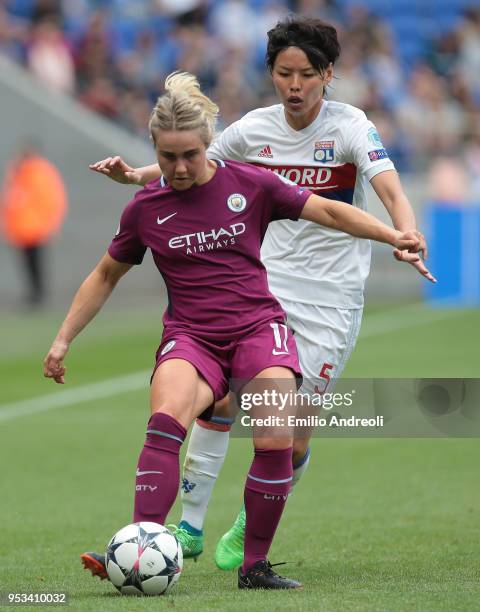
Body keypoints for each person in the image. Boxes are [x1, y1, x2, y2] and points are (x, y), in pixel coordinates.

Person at [44, 71, 426, 590]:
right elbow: (105, 275)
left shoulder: (251, 184)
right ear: (155, 149)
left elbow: (331, 211)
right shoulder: (144, 209)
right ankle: (143, 548)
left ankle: (254, 567)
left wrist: (394, 235)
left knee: (275, 436)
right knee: (166, 417)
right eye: (168, 157)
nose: (179, 168)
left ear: (209, 147)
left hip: (256, 329)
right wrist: (64, 339)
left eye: (190, 156)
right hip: (191, 337)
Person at [1, 142, 68, 307]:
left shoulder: (40, 173)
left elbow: (52, 201)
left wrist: (51, 225)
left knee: (35, 263)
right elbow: (10, 201)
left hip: (36, 227)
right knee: (27, 264)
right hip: (21, 228)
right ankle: (33, 294)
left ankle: (38, 295)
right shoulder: (17, 173)